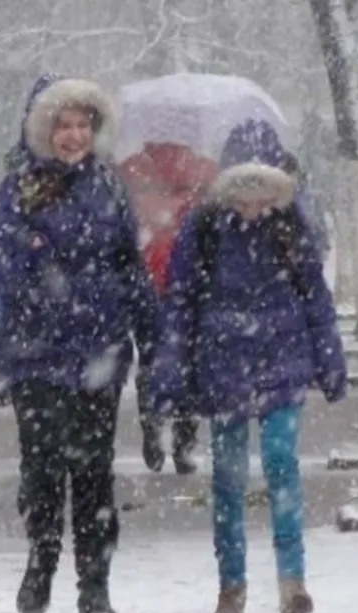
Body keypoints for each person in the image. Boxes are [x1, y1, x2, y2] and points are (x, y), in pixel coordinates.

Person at [0, 73, 157, 613]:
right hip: (37, 354)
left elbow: (132, 268)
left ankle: (94, 586)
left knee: (96, 472)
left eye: (83, 125)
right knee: (44, 467)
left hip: (99, 349)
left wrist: (153, 340)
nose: (73, 136)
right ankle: (42, 557)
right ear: (42, 130)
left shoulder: (110, 187)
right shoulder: (18, 188)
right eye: (63, 125)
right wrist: (31, 250)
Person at [150, 119, 347, 613]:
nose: (252, 203)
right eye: (243, 189)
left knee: (282, 464)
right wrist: (170, 372)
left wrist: (329, 359)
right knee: (229, 478)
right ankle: (231, 585)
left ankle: (292, 584)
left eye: (263, 190)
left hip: (283, 363)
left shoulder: (293, 226)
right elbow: (181, 304)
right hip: (225, 369)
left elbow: (316, 298)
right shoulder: (205, 227)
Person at [118, 142, 220, 474]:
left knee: (153, 362)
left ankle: (155, 426)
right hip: (183, 283)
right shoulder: (204, 172)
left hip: (152, 279)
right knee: (187, 364)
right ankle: (182, 441)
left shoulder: (132, 170)